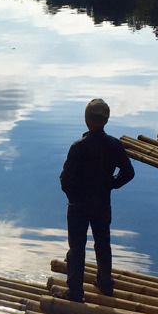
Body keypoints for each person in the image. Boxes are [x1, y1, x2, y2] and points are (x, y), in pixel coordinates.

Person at [56, 99, 134, 302]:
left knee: (77, 248)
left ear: (86, 120)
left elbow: (65, 181)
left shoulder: (78, 147)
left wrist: (73, 196)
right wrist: (112, 184)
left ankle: (75, 292)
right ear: (106, 120)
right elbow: (128, 172)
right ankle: (105, 284)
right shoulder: (114, 145)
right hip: (102, 203)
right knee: (103, 243)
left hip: (78, 206)